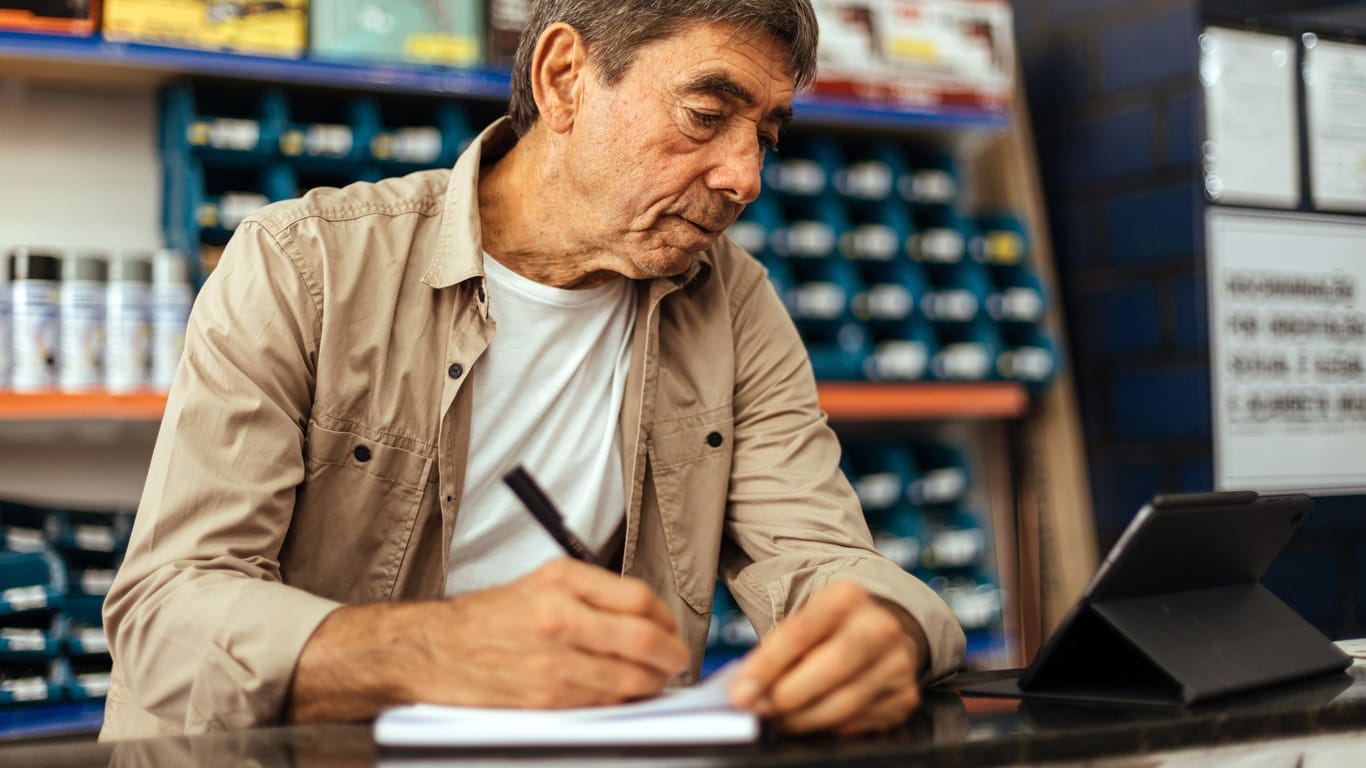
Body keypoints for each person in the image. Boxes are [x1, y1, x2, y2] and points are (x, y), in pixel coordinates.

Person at [101, 0, 966, 740]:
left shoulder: (733, 305)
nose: (744, 177)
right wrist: (434, 651)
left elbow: (822, 556)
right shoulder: (304, 265)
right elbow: (167, 610)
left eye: (765, 137)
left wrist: (885, 630)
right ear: (563, 79)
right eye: (707, 114)